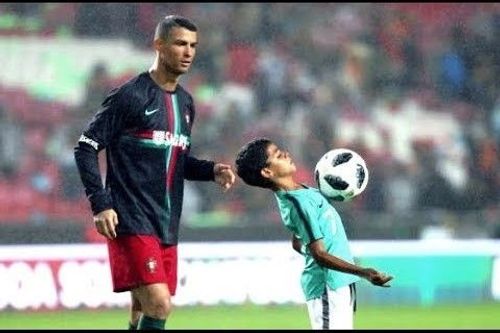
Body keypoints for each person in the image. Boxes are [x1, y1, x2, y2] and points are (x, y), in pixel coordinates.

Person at [74, 15, 235, 330]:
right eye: (179, 44)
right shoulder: (131, 96)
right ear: (158, 45)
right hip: (131, 218)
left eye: (192, 46)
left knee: (141, 310)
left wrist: (211, 170)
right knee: (160, 305)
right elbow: (86, 147)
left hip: (165, 222)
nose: (188, 52)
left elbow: (175, 159)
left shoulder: (187, 103)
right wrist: (101, 203)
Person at [235, 137, 393, 330]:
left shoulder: (305, 192)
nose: (286, 154)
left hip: (339, 282)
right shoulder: (297, 203)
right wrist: (364, 272)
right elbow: (319, 254)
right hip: (327, 286)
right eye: (278, 155)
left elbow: (298, 242)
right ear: (267, 171)